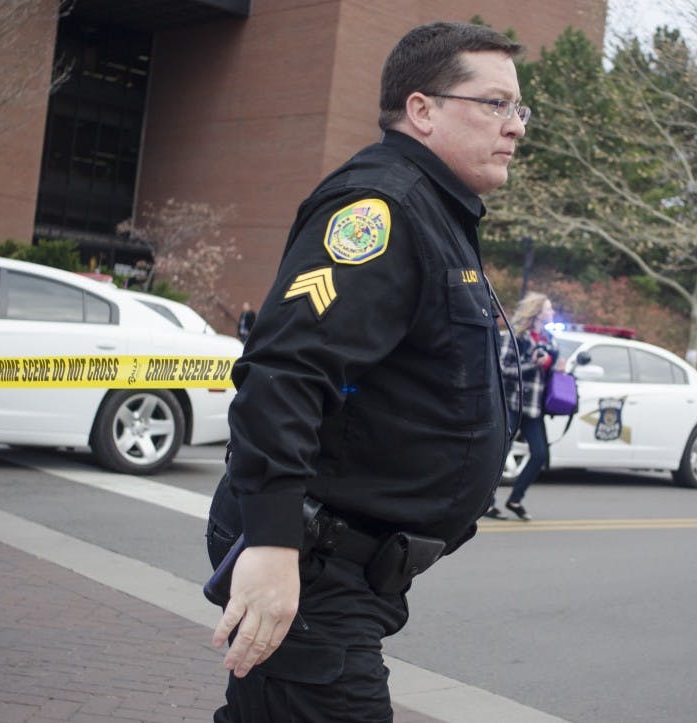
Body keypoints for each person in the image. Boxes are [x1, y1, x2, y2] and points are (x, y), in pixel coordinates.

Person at [205, 21, 528, 721]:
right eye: (495, 104)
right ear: (422, 109)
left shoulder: (436, 214)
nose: (516, 126)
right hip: (318, 562)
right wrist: (271, 539)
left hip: (350, 569)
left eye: (519, 108)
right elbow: (286, 370)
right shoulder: (383, 209)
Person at [487, 293, 558, 522]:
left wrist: (551, 363)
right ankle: (486, 502)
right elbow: (502, 369)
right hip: (512, 403)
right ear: (537, 312)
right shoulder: (513, 336)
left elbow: (549, 369)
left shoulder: (549, 339)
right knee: (499, 455)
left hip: (534, 407)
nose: (552, 312)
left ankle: (515, 499)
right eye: (549, 309)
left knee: (539, 455)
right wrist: (530, 365)